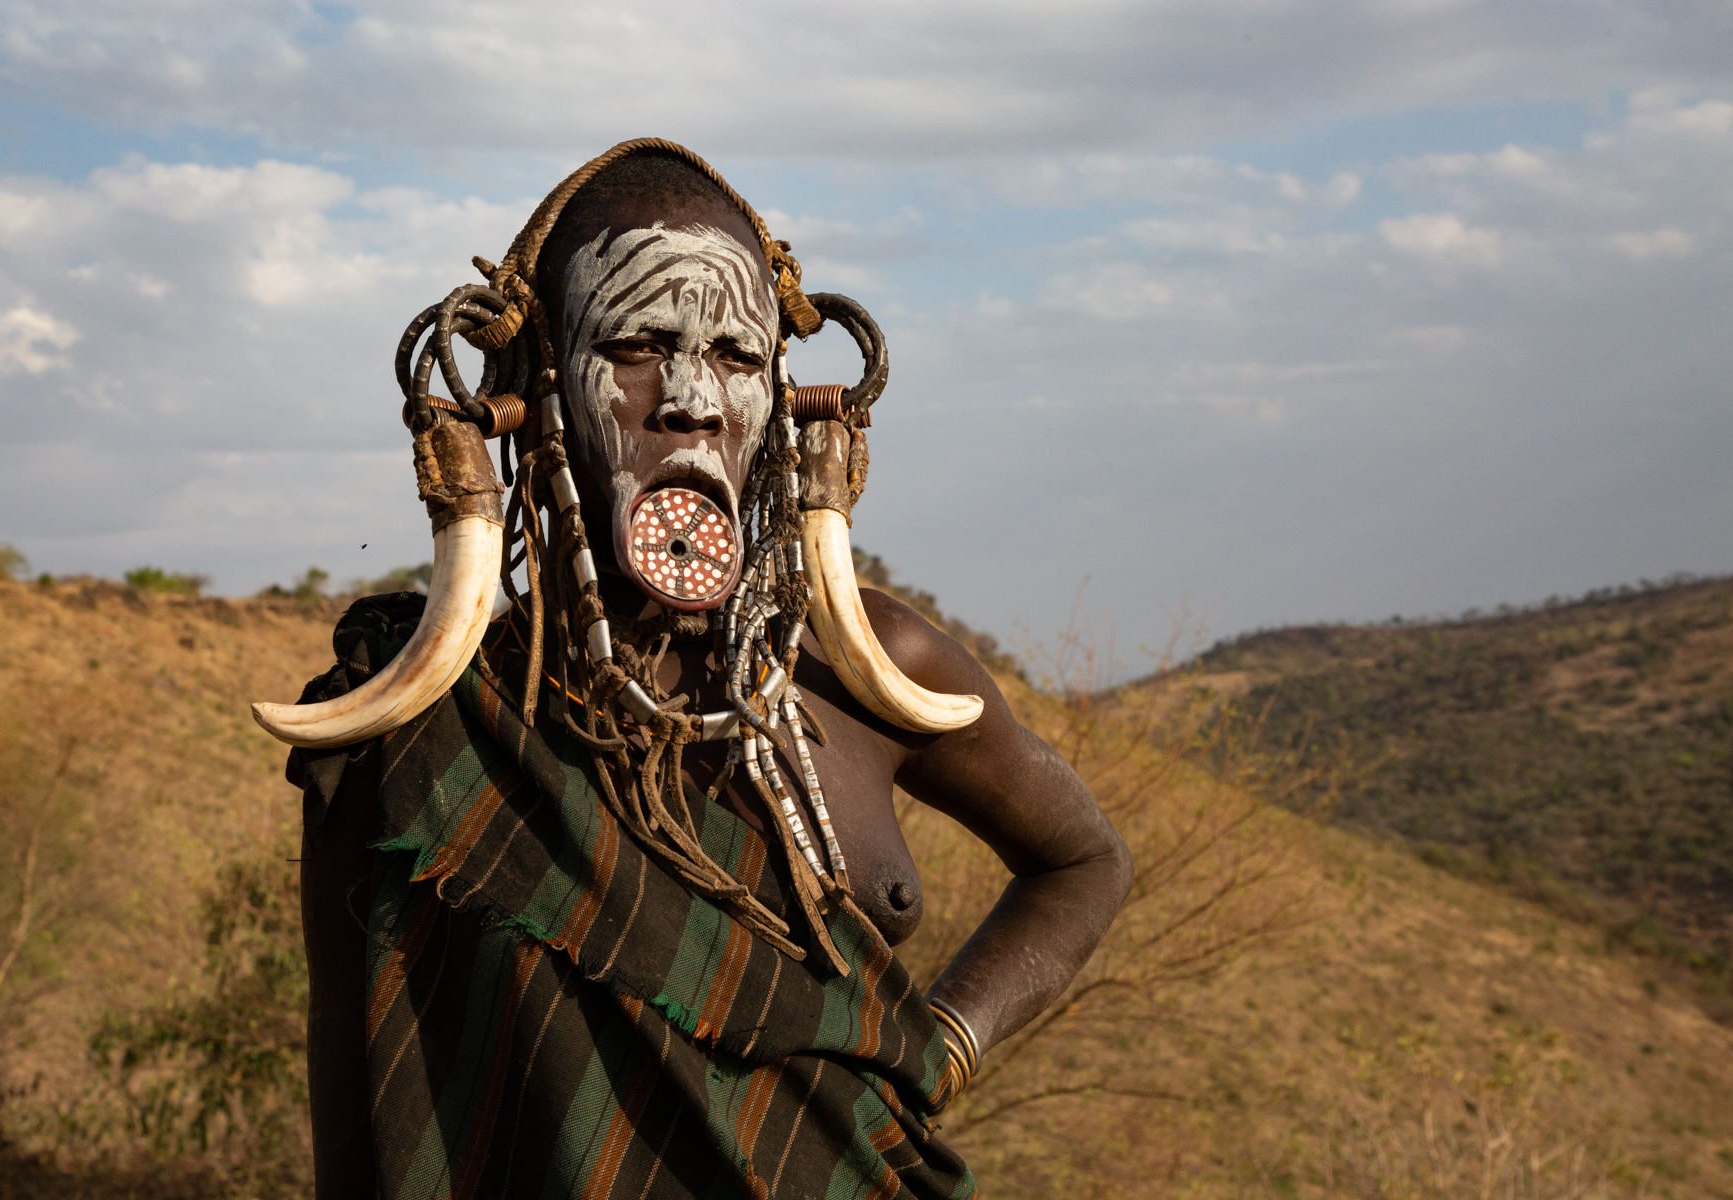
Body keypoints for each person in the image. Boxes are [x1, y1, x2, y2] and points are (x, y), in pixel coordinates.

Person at [265, 139, 1133, 1200]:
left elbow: (1085, 861)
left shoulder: (870, 668)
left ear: (784, 399)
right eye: (634, 345)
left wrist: (934, 1050)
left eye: (733, 355)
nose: (690, 399)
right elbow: (358, 1099)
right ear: (525, 397)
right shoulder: (424, 732)